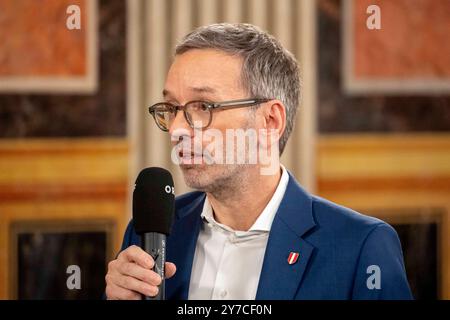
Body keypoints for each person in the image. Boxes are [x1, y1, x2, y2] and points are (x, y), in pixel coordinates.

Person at [105, 23, 412, 300]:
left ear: (269, 120)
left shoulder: (361, 247)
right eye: (172, 108)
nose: (176, 129)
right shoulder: (149, 234)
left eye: (202, 106)